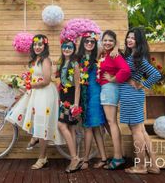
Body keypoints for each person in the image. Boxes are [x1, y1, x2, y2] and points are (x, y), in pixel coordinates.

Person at [6, 34, 64, 169]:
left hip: (45, 94)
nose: (37, 47)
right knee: (33, 119)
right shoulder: (34, 60)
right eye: (35, 45)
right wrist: (21, 83)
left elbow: (46, 80)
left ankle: (42, 158)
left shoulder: (45, 60)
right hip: (36, 93)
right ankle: (36, 138)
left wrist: (30, 85)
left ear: (45, 46)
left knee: (42, 124)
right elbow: (33, 77)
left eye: (40, 45)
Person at [121, 27, 162, 174]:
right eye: (128, 37)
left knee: (136, 131)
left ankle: (141, 166)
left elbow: (156, 75)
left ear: (139, 41)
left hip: (131, 95)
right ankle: (154, 164)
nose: (129, 40)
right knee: (142, 130)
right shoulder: (131, 56)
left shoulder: (138, 58)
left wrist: (142, 84)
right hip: (131, 95)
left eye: (133, 38)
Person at [97, 30, 131, 170]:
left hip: (110, 89)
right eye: (105, 40)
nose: (107, 43)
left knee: (111, 122)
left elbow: (126, 70)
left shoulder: (114, 55)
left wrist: (113, 79)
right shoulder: (106, 54)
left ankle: (117, 158)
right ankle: (120, 154)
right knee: (108, 122)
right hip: (106, 90)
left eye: (110, 40)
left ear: (114, 42)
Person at [77, 31, 109, 170]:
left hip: (95, 95)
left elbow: (108, 46)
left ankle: (85, 159)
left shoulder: (97, 56)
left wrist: (95, 36)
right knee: (95, 128)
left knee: (90, 126)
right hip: (84, 95)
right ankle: (104, 158)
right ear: (82, 43)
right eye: (86, 41)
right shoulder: (79, 58)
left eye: (92, 41)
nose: (89, 43)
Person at [56, 39, 83, 173]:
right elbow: (61, 81)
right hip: (63, 95)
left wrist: (76, 104)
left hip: (72, 97)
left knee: (61, 125)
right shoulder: (62, 62)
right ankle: (75, 158)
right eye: (64, 47)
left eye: (70, 47)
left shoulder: (75, 64)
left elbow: (78, 86)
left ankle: (74, 158)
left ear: (73, 49)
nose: (67, 49)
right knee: (70, 128)